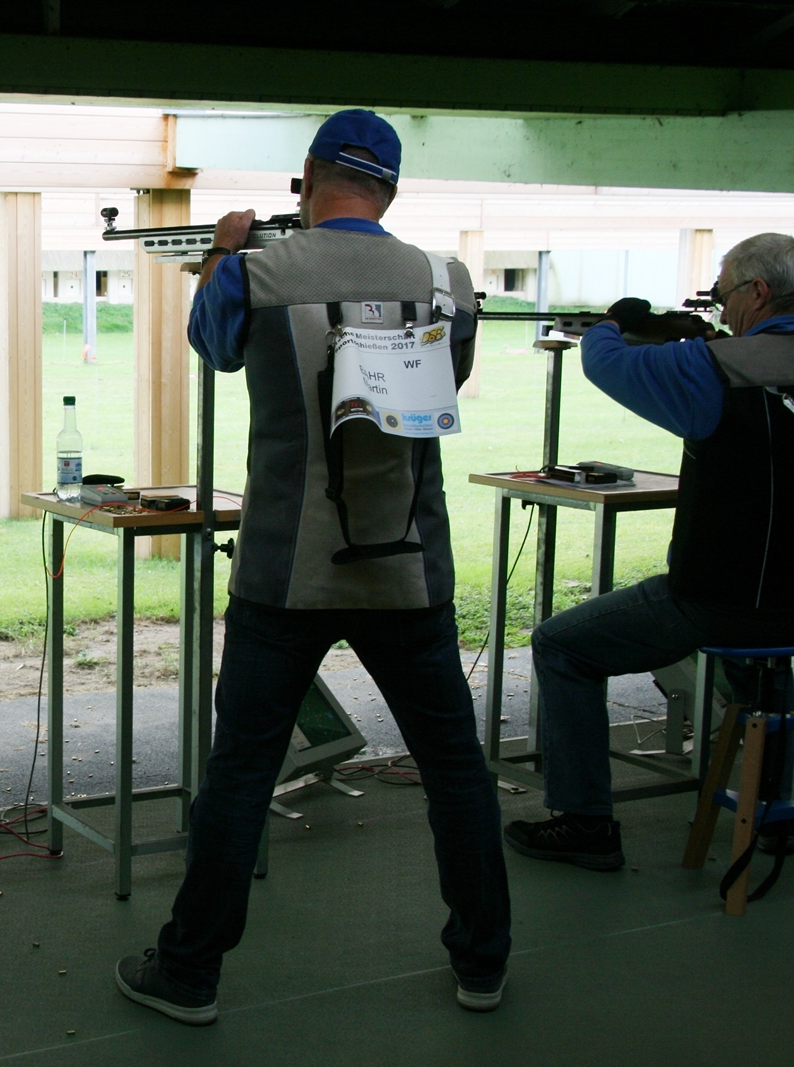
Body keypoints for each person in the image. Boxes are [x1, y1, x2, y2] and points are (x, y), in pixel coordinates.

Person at [113, 109, 511, 1024]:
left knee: (241, 773)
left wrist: (223, 252)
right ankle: (484, 961)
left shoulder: (255, 273)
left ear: (308, 174)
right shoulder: (448, 281)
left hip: (284, 575)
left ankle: (190, 973)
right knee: (456, 770)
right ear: (390, 191)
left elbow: (212, 345)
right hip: (409, 570)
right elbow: (444, 379)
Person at [506, 233, 794, 872]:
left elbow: (607, 363)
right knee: (767, 658)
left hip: (718, 599)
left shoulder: (717, 368)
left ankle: (585, 822)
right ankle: (777, 814)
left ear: (759, 292)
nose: (722, 308)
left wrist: (615, 321)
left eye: (725, 295)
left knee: (561, 646)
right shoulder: (722, 355)